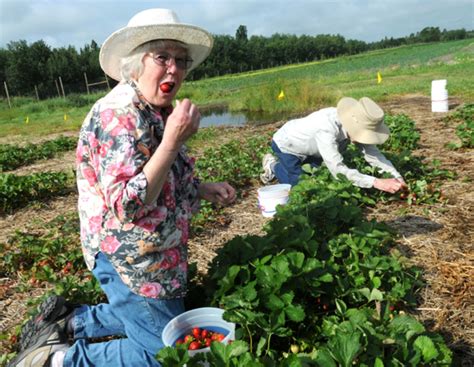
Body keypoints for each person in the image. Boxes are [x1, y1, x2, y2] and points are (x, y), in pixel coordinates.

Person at [11, 8, 236, 367]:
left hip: (158, 253)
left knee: (162, 318)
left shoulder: (157, 109)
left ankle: (70, 322)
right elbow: (127, 205)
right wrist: (172, 142)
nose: (174, 69)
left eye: (181, 60)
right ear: (135, 63)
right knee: (163, 356)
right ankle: (56, 361)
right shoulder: (118, 116)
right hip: (129, 257)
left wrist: (203, 189)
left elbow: (163, 180)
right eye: (162, 57)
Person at [260, 96, 407, 193]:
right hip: (288, 145)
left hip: (314, 149)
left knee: (317, 178)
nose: (365, 139)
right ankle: (273, 166)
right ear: (353, 125)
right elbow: (337, 170)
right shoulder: (326, 128)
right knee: (300, 186)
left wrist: (397, 178)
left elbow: (374, 156)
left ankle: (300, 165)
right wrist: (376, 182)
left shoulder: (356, 121)